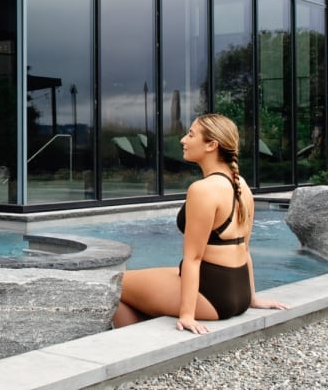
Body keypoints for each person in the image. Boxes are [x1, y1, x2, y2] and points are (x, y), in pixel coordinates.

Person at [113, 113, 289, 334]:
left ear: (211, 145)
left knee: (113, 285)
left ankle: (134, 346)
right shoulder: (241, 184)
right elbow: (245, 248)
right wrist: (251, 297)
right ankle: (144, 335)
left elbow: (193, 258)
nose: (183, 140)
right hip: (239, 292)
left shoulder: (203, 189)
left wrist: (187, 315)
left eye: (190, 134)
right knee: (153, 277)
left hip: (212, 297)